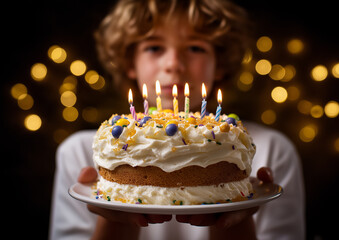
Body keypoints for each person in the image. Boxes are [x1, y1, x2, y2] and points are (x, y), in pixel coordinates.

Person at [49, 0, 305, 239]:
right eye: (154, 47)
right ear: (129, 61)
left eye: (195, 47)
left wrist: (234, 222)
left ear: (220, 63)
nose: (174, 64)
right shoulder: (84, 151)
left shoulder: (269, 149)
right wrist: (116, 218)